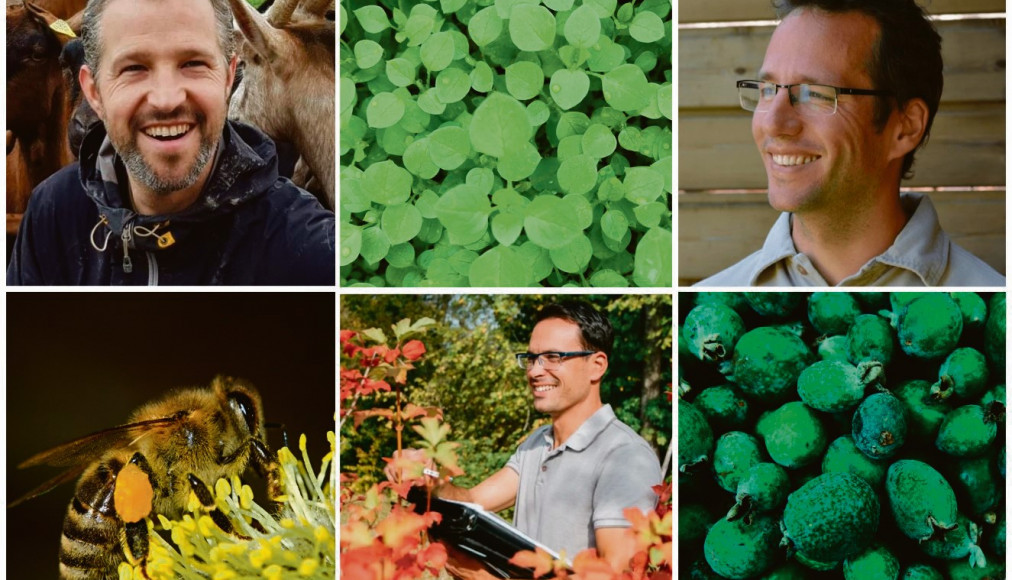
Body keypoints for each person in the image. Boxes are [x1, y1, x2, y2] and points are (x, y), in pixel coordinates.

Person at [6, 0, 335, 285]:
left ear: (229, 77)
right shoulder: (51, 214)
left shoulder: (311, 251)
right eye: (134, 67)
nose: (166, 99)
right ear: (94, 93)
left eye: (193, 63)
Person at [697, 0, 1004, 287]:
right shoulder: (713, 294)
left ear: (905, 127)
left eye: (814, 93)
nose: (772, 123)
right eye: (767, 89)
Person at [386, 300, 663, 578]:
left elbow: (618, 575)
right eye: (531, 358)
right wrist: (430, 477)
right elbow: (472, 500)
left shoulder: (626, 457)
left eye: (553, 357)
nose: (534, 371)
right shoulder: (537, 444)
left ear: (597, 365)